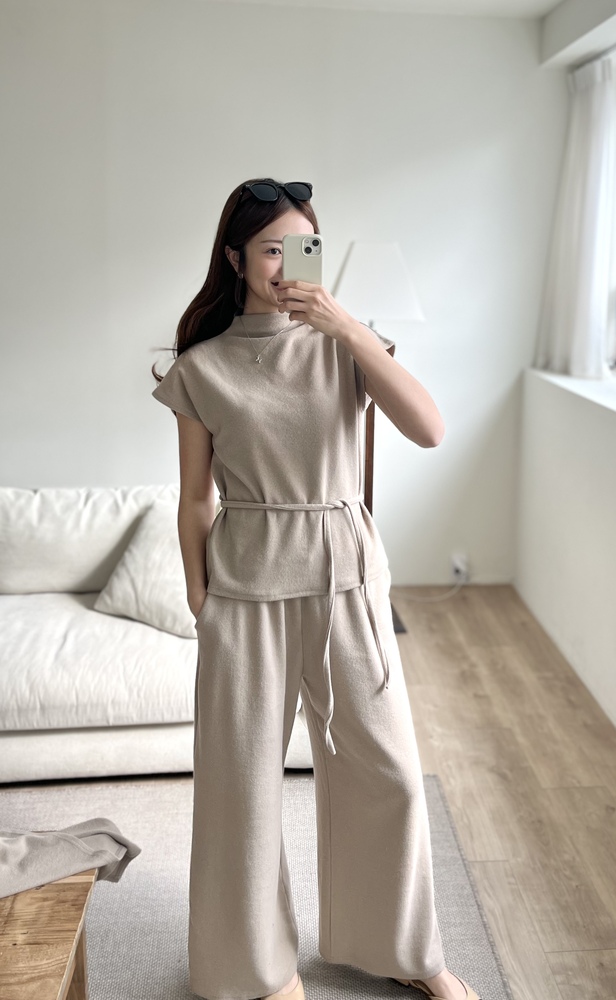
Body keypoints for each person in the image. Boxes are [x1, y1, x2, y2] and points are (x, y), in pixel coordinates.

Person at [150, 178, 480, 1000]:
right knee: (241, 787)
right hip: (245, 590)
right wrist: (198, 596)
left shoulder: (346, 347)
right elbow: (195, 499)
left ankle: (405, 951)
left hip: (347, 580)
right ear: (235, 259)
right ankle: (256, 969)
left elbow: (430, 429)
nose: (288, 264)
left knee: (388, 772)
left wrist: (348, 327)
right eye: (272, 248)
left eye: (304, 247)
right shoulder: (202, 368)